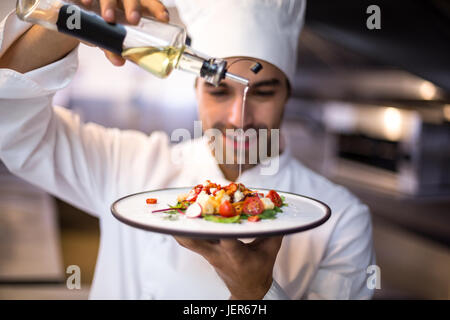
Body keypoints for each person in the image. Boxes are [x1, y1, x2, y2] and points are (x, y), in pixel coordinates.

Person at [0, 0, 375, 299]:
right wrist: (77, 19)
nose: (239, 117)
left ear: (288, 95)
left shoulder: (340, 219)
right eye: (219, 90)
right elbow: (10, 123)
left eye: (262, 92)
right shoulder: (128, 165)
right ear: (196, 89)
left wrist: (255, 295)